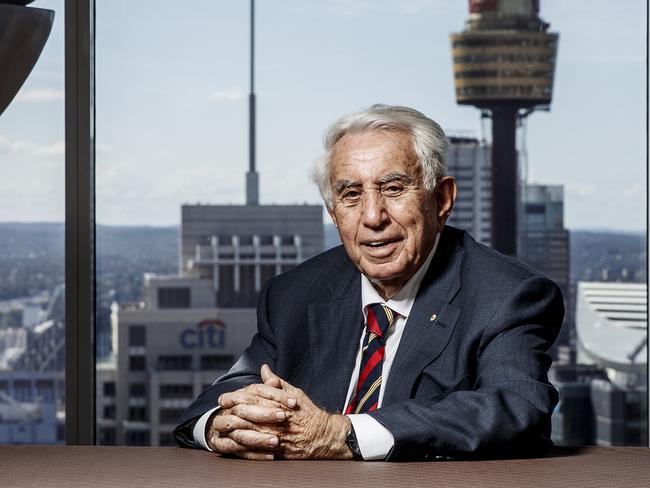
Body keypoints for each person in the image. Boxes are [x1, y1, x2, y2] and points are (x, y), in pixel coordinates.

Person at [173, 104, 564, 461]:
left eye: (393, 188)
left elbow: (518, 408)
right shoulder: (294, 293)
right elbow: (226, 394)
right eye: (351, 194)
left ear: (441, 199)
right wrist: (221, 425)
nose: (373, 216)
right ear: (333, 212)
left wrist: (342, 434)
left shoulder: (507, 295)